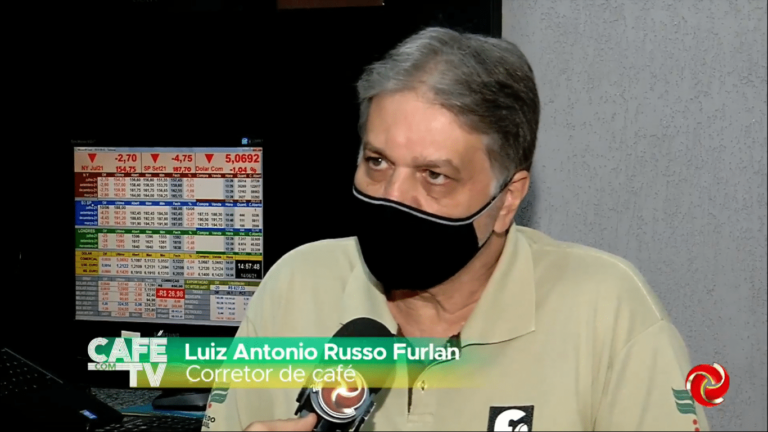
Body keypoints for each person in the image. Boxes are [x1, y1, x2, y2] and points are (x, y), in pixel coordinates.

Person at [204, 27, 710, 431]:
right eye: (377, 162)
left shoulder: (607, 311)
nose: (393, 197)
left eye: (434, 175)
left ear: (507, 199)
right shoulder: (295, 286)